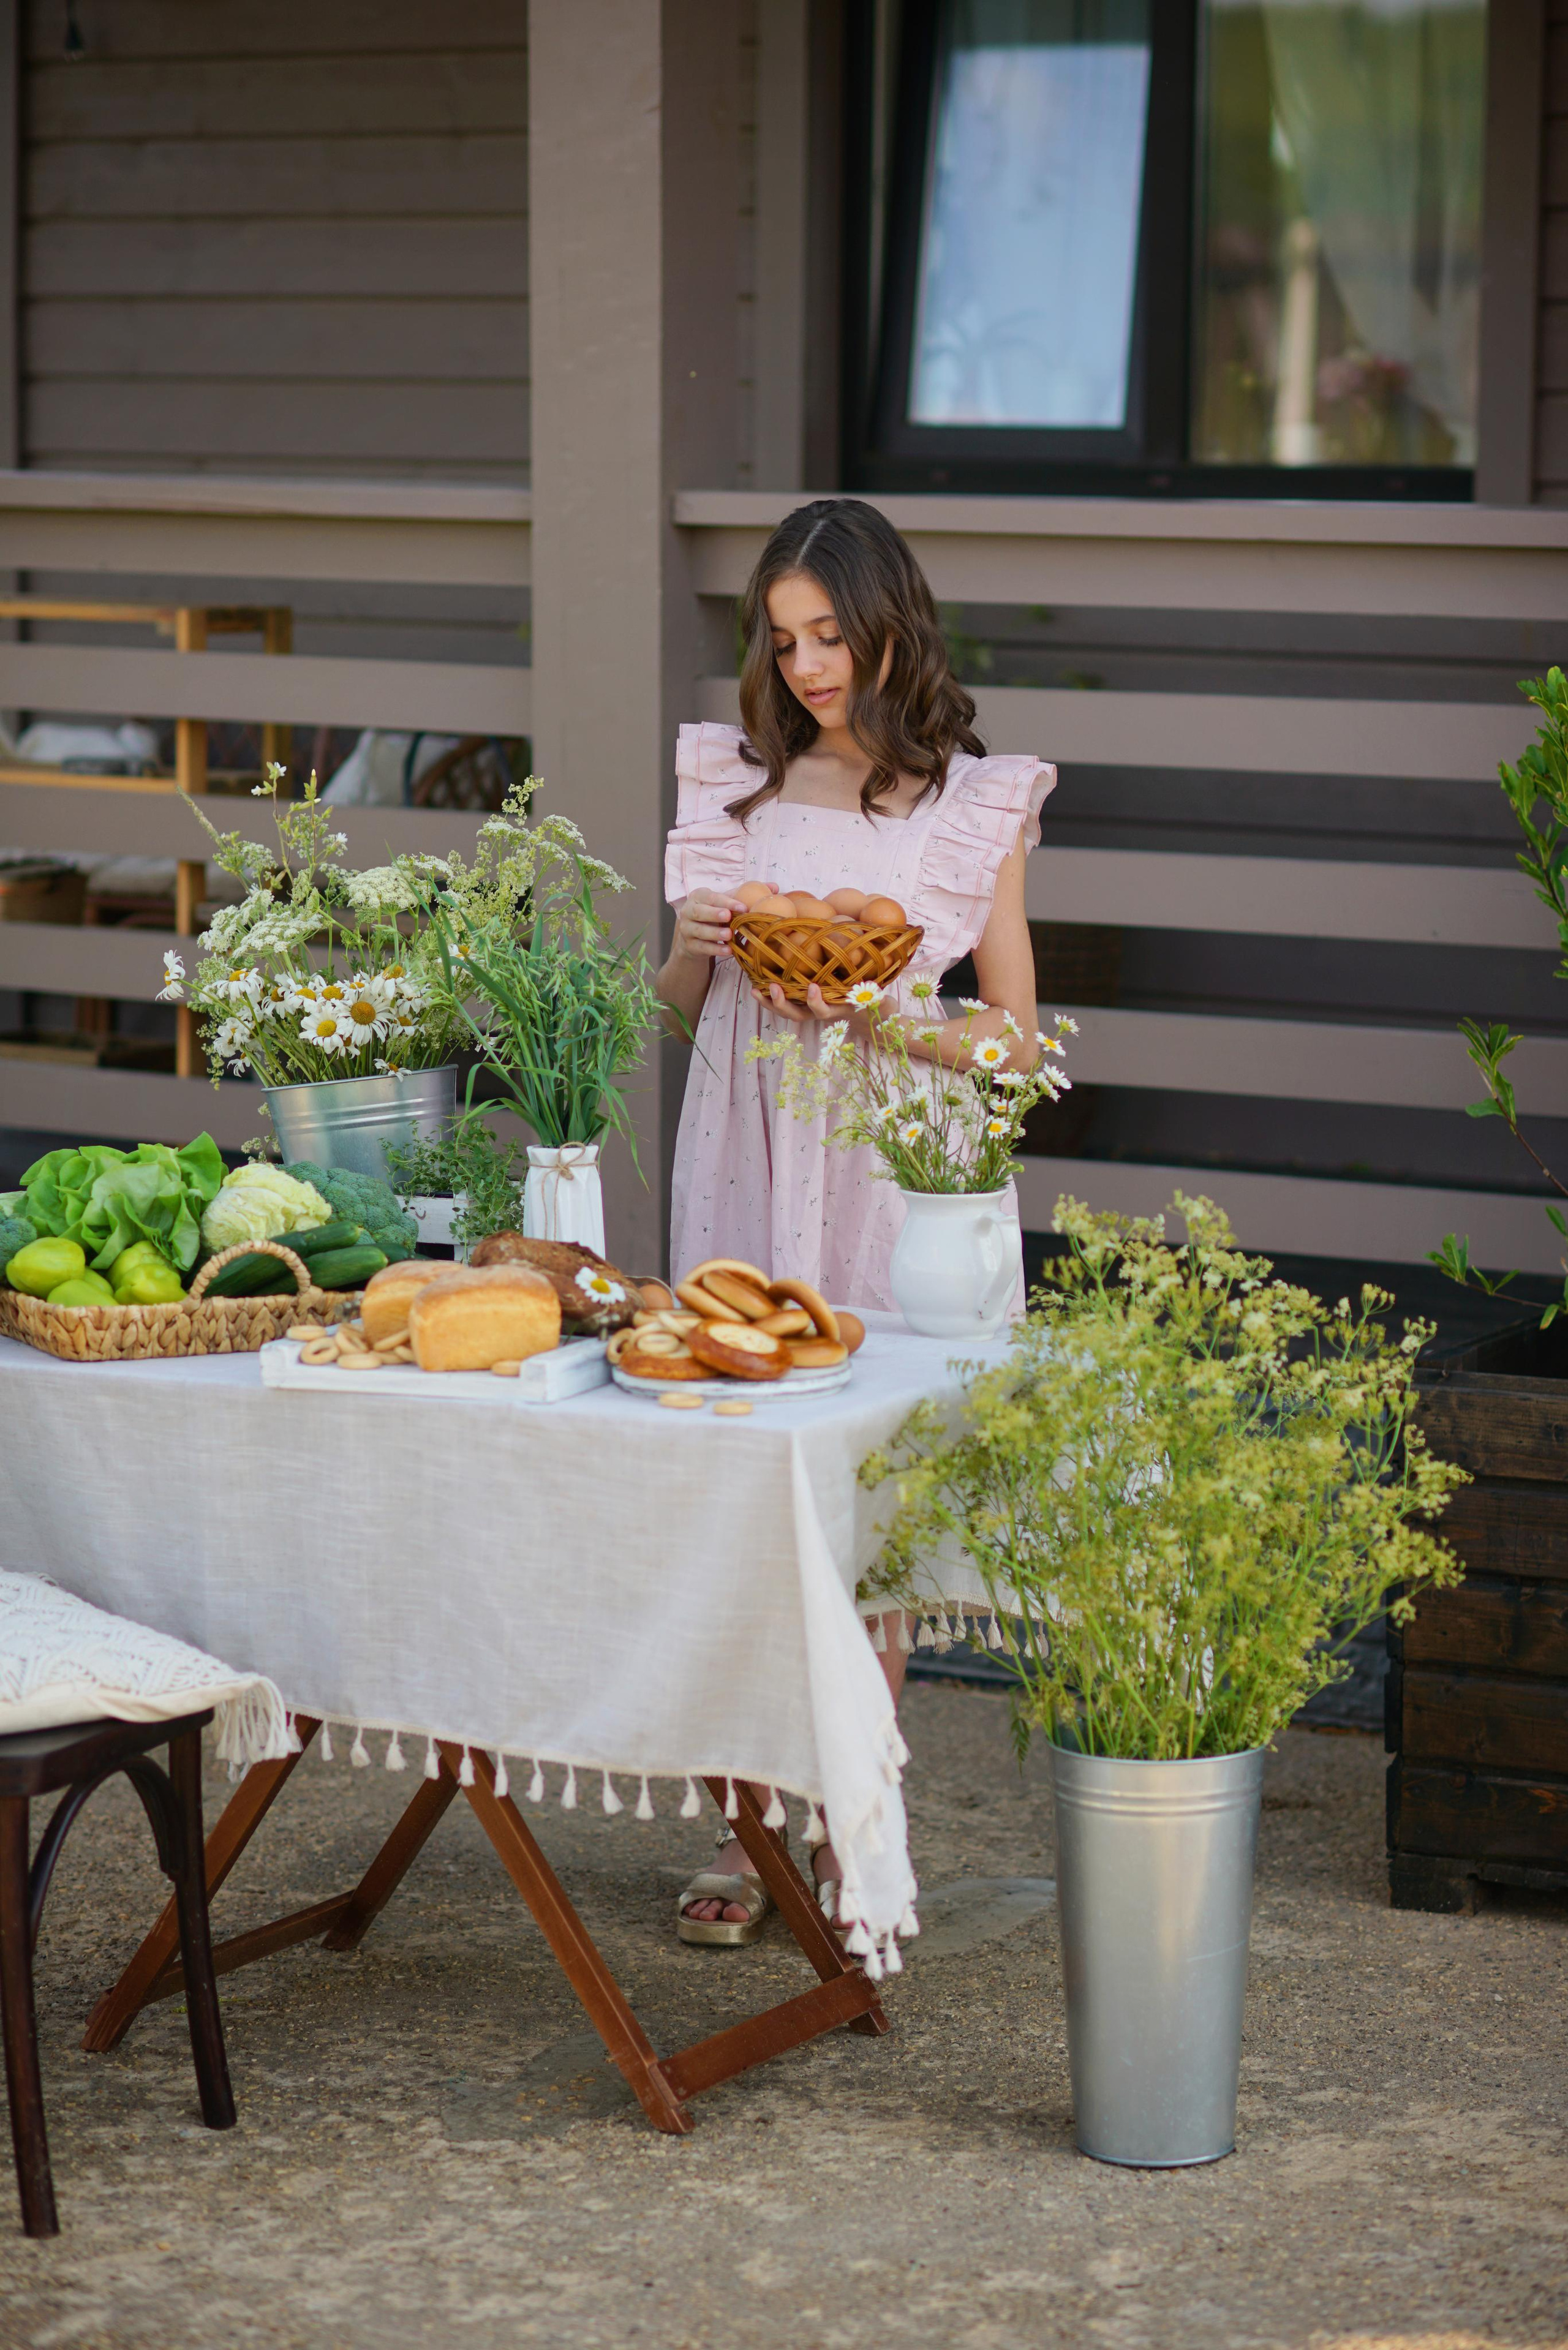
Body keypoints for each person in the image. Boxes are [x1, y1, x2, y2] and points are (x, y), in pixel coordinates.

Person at [656, 497, 1055, 1943]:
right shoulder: (736, 786)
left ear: (892, 618)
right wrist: (690, 946)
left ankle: (848, 1825)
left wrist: (896, 1011)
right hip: (746, 1160)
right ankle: (737, 1820)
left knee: (867, 1505)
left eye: (829, 631)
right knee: (740, 1479)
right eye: (783, 638)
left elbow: (1017, 1040)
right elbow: (672, 1013)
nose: (809, 664)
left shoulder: (972, 806)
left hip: (885, 1169)